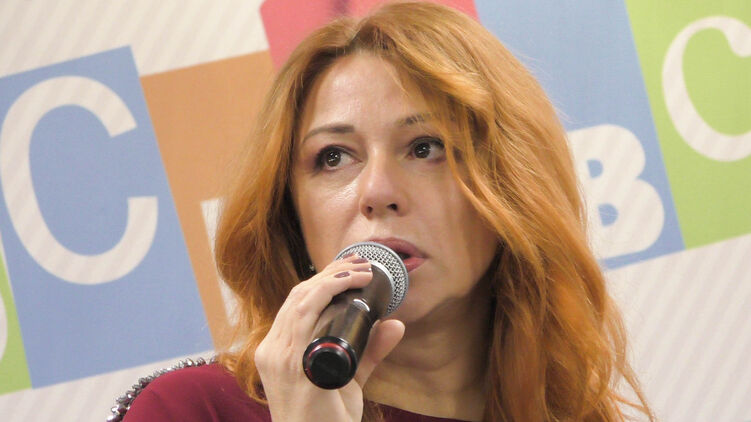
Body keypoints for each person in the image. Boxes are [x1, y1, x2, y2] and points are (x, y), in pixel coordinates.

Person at [122, 1, 654, 421]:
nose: (376, 191)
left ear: (512, 185)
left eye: (425, 148)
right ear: (291, 217)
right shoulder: (191, 411)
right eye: (334, 157)